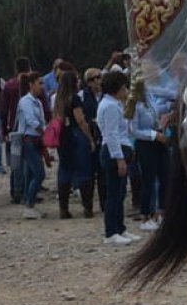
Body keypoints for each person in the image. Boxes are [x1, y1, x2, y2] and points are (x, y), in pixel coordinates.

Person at [97, 70, 139, 246]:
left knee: (120, 192)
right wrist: (119, 158)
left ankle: (120, 227)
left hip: (122, 148)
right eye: (124, 88)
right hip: (114, 151)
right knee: (114, 193)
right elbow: (112, 134)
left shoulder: (116, 105)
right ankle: (111, 231)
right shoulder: (110, 106)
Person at [54, 70, 96, 220]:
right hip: (76, 135)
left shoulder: (59, 99)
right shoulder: (75, 99)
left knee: (65, 171)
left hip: (63, 136)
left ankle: (63, 208)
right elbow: (80, 120)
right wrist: (90, 138)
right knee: (84, 171)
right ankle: (87, 207)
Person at [131, 87, 169, 232]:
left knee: (165, 176)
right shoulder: (134, 103)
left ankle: (162, 211)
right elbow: (134, 130)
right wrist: (154, 135)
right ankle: (146, 214)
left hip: (159, 140)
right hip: (146, 143)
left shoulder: (151, 97)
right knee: (148, 179)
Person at [15, 72, 47, 219]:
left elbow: (42, 120)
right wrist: (44, 132)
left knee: (31, 173)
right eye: (39, 83)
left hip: (36, 140)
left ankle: (30, 203)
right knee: (39, 173)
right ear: (31, 84)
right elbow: (31, 120)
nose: (42, 86)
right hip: (28, 139)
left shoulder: (38, 102)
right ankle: (29, 203)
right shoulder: (25, 101)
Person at [1, 57, 31, 203]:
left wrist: (3, 129)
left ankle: (15, 190)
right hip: (27, 128)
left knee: (15, 160)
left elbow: (3, 109)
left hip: (13, 126)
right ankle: (25, 190)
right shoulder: (30, 84)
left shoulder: (9, 85)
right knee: (27, 160)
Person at [80, 68, 105, 217]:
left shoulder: (105, 95)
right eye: (94, 78)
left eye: (99, 77)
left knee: (103, 173)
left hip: (103, 136)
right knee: (88, 173)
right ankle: (87, 206)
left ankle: (104, 204)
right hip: (89, 136)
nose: (98, 81)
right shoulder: (82, 96)